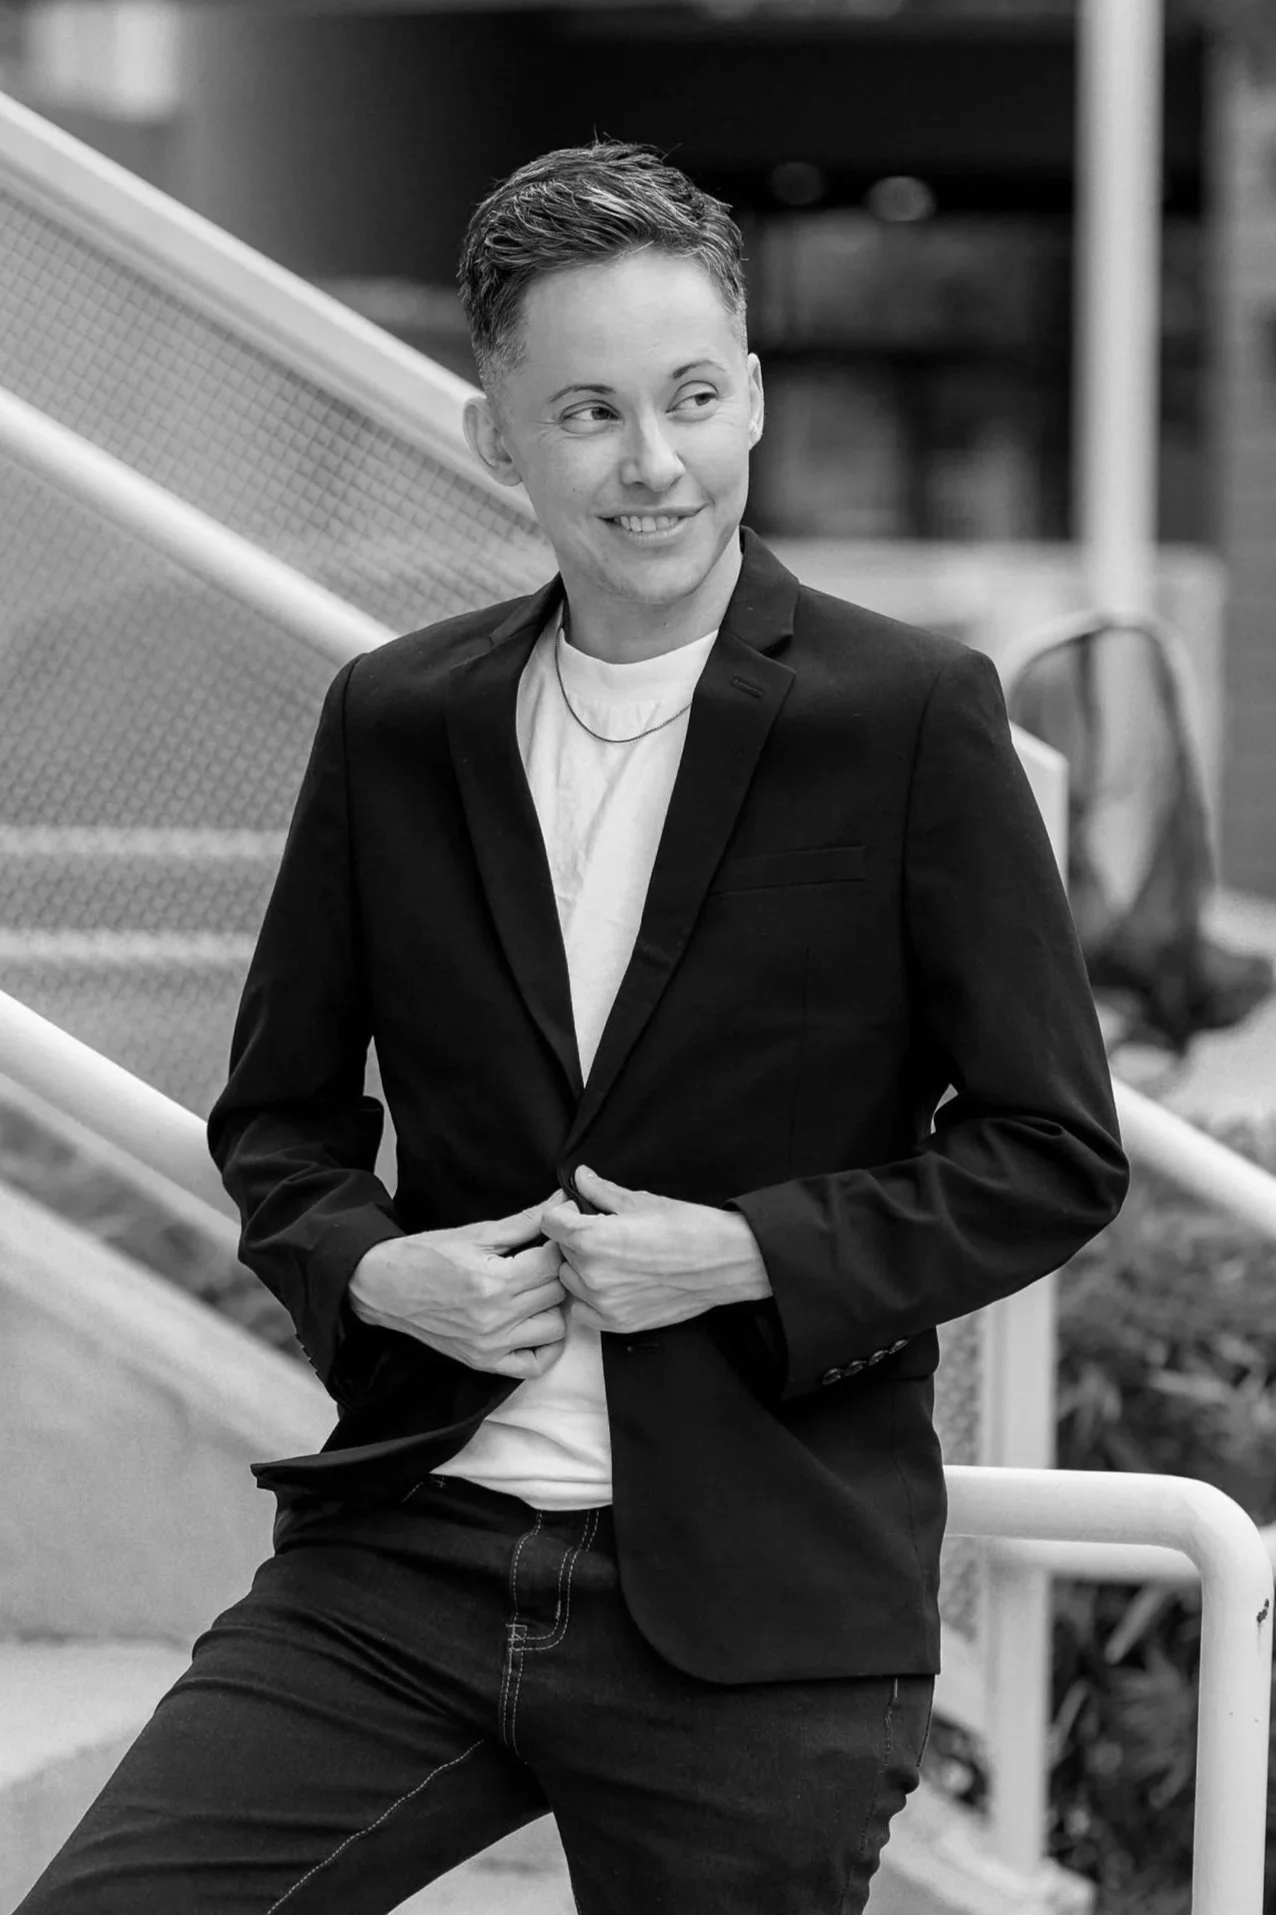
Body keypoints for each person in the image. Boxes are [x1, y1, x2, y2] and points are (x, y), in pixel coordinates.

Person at [18, 141, 1128, 1915]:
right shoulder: (398, 720)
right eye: (592, 410)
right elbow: (280, 1122)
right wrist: (380, 1272)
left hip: (757, 1610)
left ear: (753, 397)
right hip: (410, 1560)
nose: (654, 461)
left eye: (693, 397)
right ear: (499, 437)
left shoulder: (912, 717)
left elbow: (1052, 1152)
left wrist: (746, 1253)